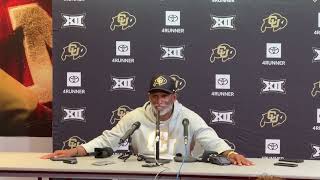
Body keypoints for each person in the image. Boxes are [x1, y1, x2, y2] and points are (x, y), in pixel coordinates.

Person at [41, 74, 253, 166]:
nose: (159, 101)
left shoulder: (188, 117)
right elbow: (110, 139)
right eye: (155, 96)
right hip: (142, 172)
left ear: (174, 97)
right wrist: (75, 150)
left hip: (179, 171)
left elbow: (209, 138)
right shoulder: (136, 116)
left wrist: (230, 153)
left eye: (164, 96)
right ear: (149, 97)